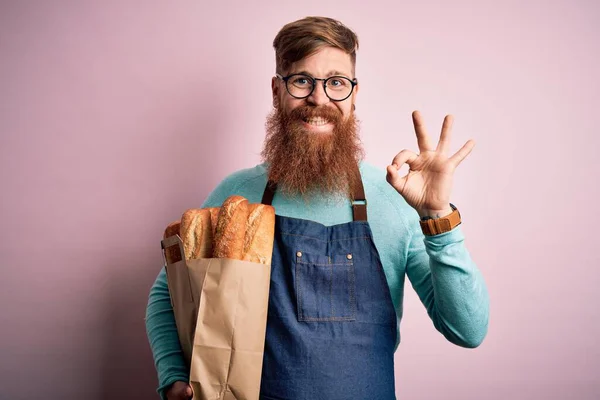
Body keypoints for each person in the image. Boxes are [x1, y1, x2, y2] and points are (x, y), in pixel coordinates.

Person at [145, 16, 489, 400]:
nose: (319, 99)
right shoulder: (237, 195)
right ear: (277, 91)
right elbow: (166, 295)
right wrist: (174, 375)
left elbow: (467, 330)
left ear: (355, 95)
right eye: (302, 80)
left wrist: (438, 215)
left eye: (336, 83)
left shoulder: (396, 197)